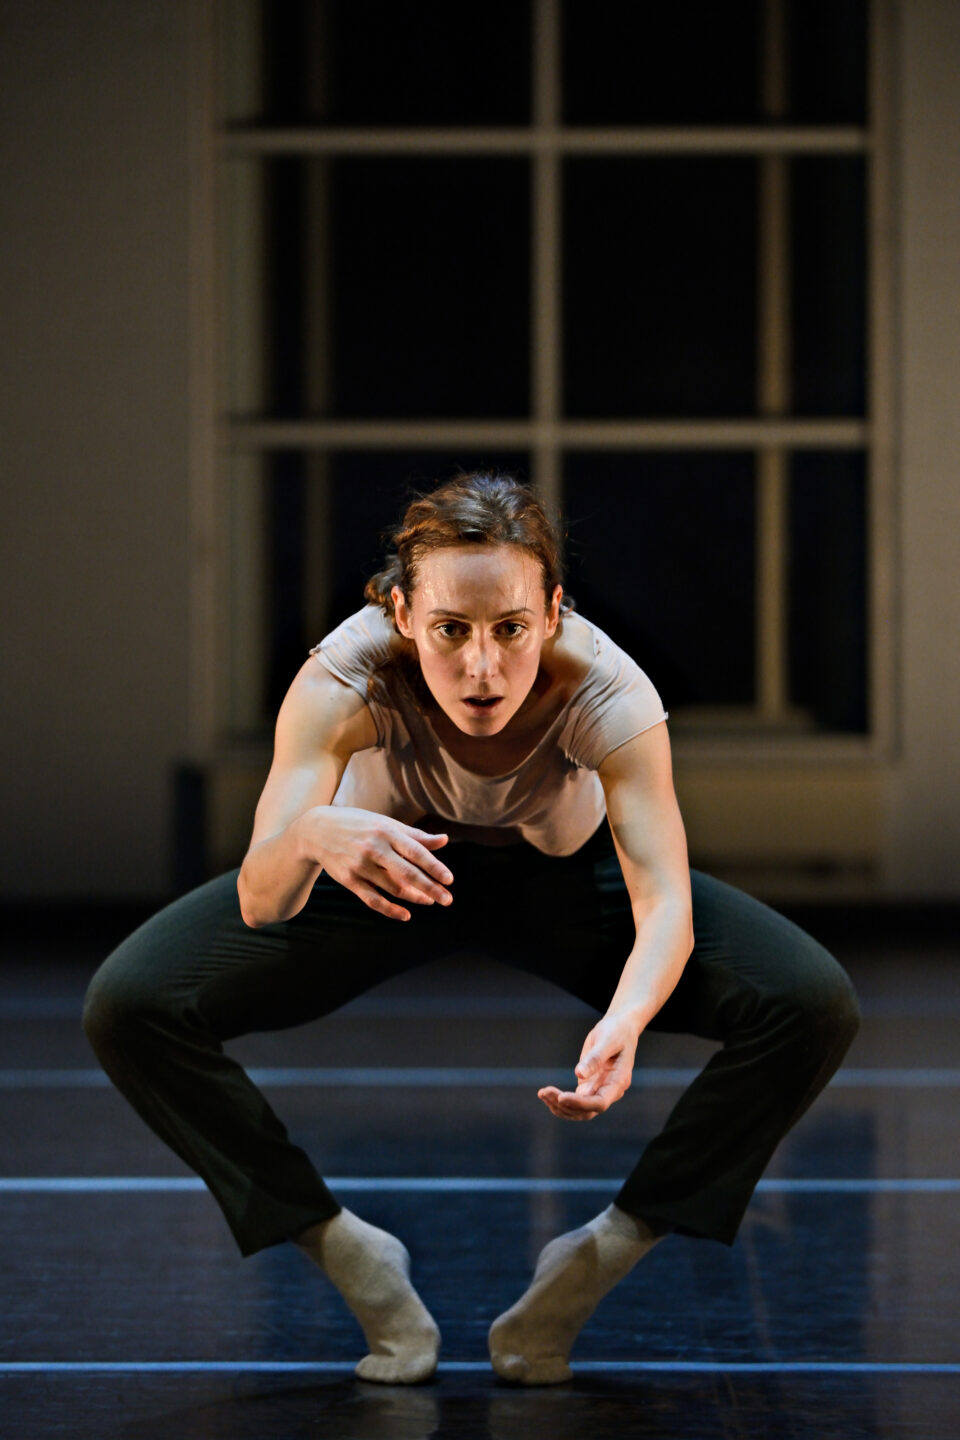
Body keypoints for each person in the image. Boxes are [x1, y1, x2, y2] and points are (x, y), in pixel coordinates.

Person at [83, 471, 861, 1386]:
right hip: (385, 870)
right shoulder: (342, 678)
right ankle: (349, 1253)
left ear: (554, 613)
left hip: (565, 882)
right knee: (132, 1004)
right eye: (451, 630)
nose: (482, 668)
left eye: (511, 629)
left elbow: (663, 903)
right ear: (403, 615)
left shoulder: (609, 691)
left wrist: (627, 1019)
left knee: (810, 1003)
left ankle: (598, 1256)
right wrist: (312, 832)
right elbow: (264, 902)